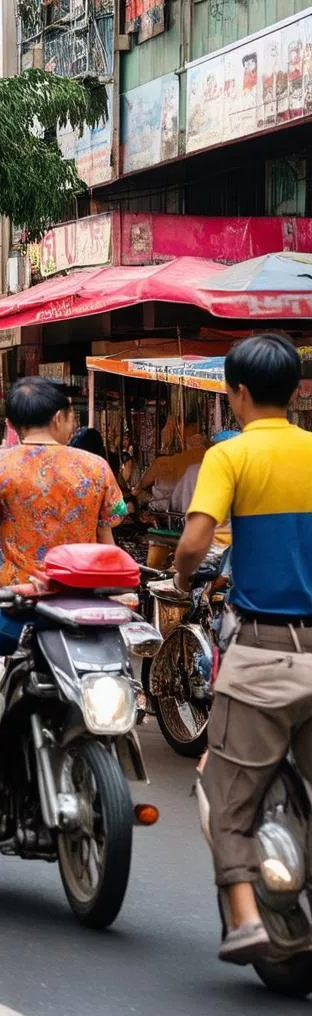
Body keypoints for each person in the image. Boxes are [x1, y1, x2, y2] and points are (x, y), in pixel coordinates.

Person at [171, 334, 312, 965]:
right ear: (298, 392)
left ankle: (247, 917)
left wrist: (179, 578)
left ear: (239, 394)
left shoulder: (231, 454)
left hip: (261, 652)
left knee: (225, 795)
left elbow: (197, 540)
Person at [0, 378, 124, 799]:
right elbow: (109, 543)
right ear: (61, 419)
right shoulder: (95, 467)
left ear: (11, 423)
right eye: (72, 417)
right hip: (88, 608)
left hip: (25, 609)